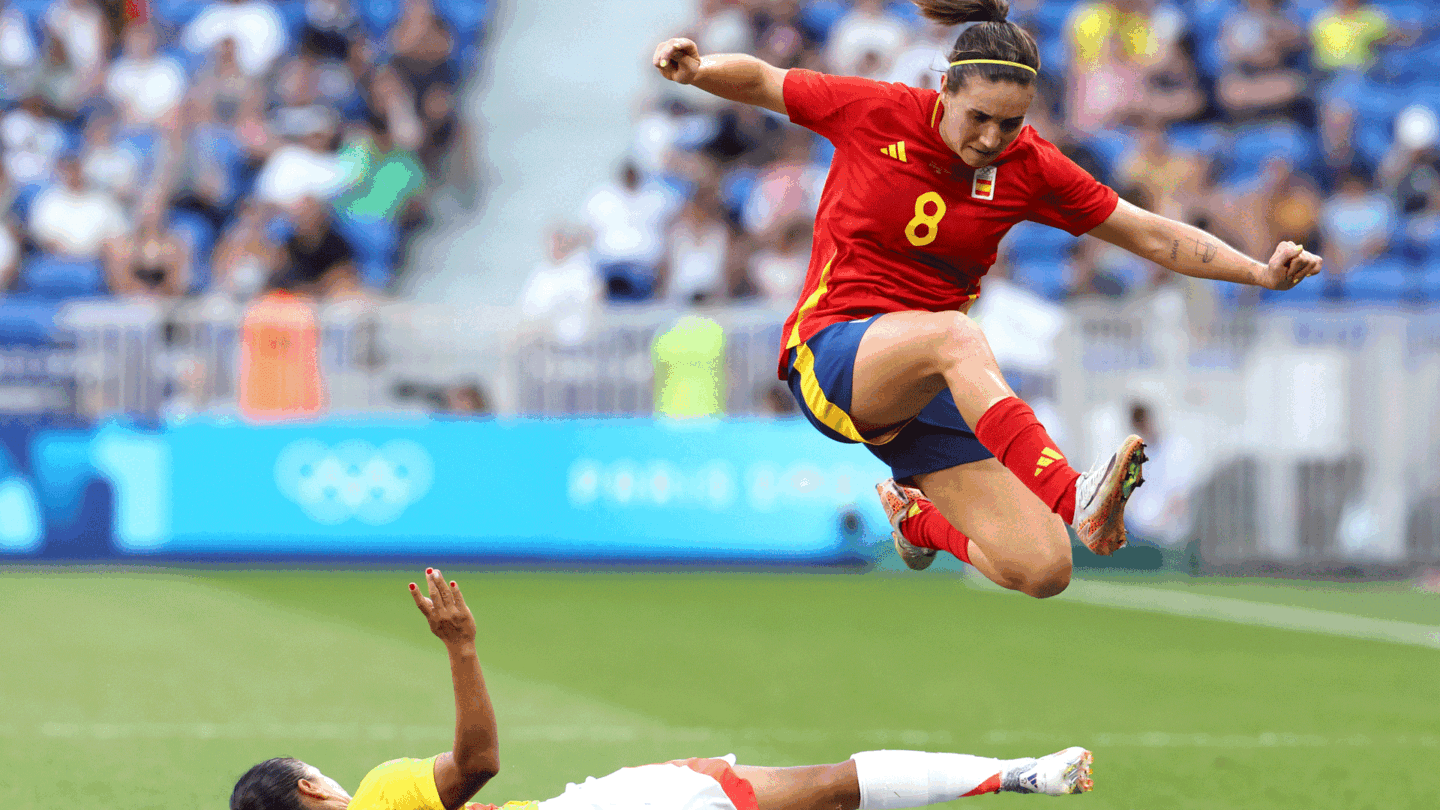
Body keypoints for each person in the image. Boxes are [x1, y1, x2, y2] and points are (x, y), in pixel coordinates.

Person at [652, 0, 1322, 598]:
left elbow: (1145, 232)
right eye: (979, 118)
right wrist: (698, 68)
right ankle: (1075, 491)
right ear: (944, 88)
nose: (990, 140)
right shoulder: (874, 110)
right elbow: (765, 81)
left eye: (1010, 124)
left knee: (1043, 569)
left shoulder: (1028, 165)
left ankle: (919, 521)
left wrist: (1258, 272)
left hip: (926, 380)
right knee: (956, 334)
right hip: (833, 353)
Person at [230, 569, 1095, 810]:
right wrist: (460, 648)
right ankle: (1018, 773)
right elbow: (482, 762)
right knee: (823, 788)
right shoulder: (380, 798)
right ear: (314, 787)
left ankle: (1019, 774)